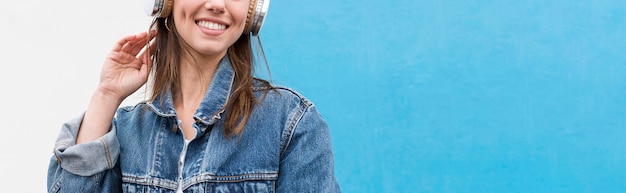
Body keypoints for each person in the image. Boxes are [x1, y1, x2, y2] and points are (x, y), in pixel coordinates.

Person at [47, 0, 341, 192]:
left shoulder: (291, 125)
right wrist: (106, 95)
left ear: (252, 11)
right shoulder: (127, 131)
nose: (216, 4)